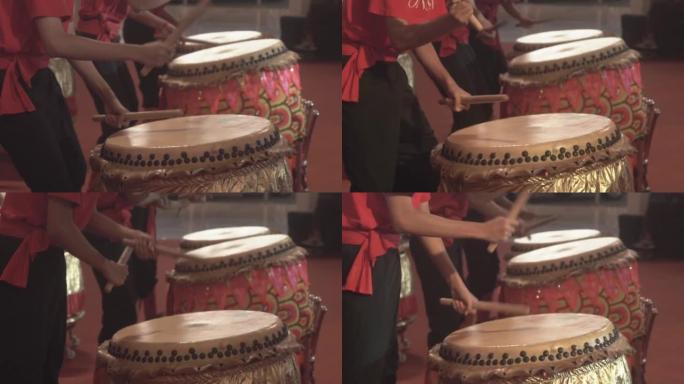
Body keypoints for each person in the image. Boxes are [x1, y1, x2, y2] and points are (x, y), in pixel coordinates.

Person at [342, 193, 518, 384]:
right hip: (361, 252)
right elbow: (404, 217)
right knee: (367, 368)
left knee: (385, 363)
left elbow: (420, 213)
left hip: (384, 250)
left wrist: (456, 284)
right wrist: (482, 230)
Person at [0, 0, 174, 192]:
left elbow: (66, 35)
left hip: (36, 73)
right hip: (11, 80)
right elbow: (56, 42)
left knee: (75, 170)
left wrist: (108, 96)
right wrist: (138, 52)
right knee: (55, 183)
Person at [0, 193, 155, 383]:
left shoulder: (86, 167)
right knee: (24, 363)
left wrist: (128, 234)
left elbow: (80, 212)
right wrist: (105, 264)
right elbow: (60, 226)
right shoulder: (70, 164)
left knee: (49, 360)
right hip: (23, 255)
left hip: (48, 253)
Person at [342, 0, 474, 192]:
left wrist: (449, 84)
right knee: (374, 182)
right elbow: (402, 37)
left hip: (387, 66)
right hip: (362, 74)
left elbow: (414, 31)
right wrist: (450, 21)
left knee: (422, 166)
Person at [76, 0, 176, 143]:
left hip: (110, 40)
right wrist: (139, 52)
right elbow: (138, 4)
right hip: (92, 45)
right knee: (118, 118)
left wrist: (161, 24)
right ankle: (109, 154)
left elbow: (130, 7)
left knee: (130, 108)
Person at [471, 0, 534, 94]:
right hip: (473, 28)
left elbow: (505, 2)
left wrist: (520, 17)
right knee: (483, 78)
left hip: (489, 27)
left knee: (499, 72)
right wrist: (480, 20)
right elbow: (466, 3)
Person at [123, 5, 177, 109]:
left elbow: (155, 9)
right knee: (151, 83)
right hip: (139, 29)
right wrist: (163, 25)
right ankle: (152, 114)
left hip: (149, 23)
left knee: (130, 104)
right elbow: (132, 9)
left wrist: (168, 24)